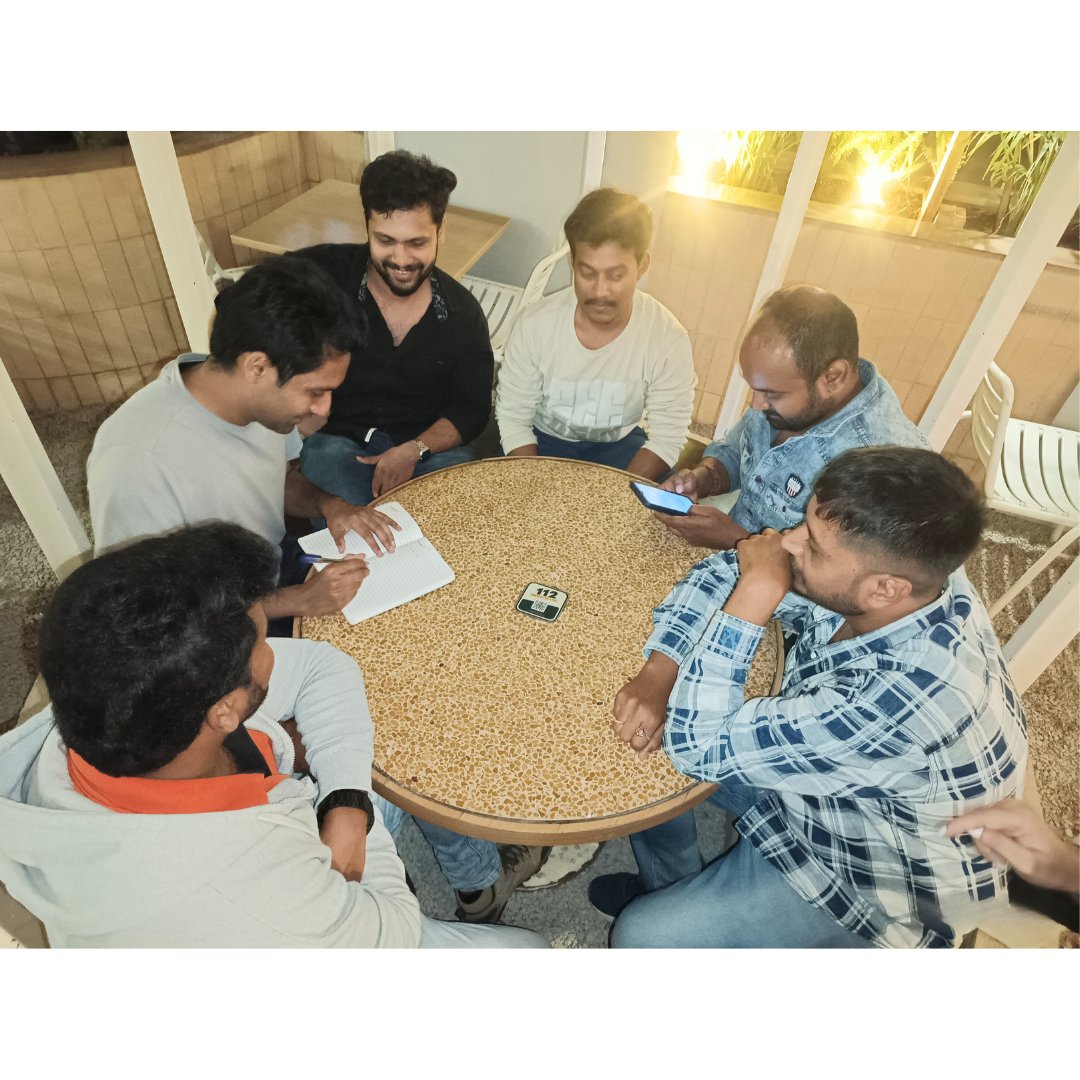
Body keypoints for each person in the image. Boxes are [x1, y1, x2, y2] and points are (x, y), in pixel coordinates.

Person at [0, 523, 546, 949]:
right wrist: (356, 845)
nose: (274, 651)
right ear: (225, 710)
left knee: (387, 751)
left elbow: (321, 667)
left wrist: (347, 804)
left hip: (283, 820)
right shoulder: (254, 893)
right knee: (530, 950)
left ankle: (476, 882)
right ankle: (481, 888)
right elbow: (394, 929)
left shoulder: (112, 703)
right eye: (263, 642)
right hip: (298, 918)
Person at [593, 447, 1027, 948]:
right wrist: (661, 668)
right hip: (841, 784)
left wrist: (755, 593)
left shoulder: (893, 700)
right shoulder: (908, 580)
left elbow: (697, 746)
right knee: (645, 738)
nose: (789, 541)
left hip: (877, 883)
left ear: (886, 589)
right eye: (805, 523)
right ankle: (671, 883)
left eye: (814, 546)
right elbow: (722, 572)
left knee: (641, 938)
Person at [87, 255, 400, 634]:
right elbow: (144, 611)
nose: (324, 410)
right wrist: (296, 601)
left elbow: (278, 480)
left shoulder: (260, 403)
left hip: (271, 565)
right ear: (257, 368)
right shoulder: (138, 462)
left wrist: (331, 506)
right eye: (316, 392)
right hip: (211, 626)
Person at [294, 150, 495, 506]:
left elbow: (472, 409)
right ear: (367, 227)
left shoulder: (463, 313)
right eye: (385, 241)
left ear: (441, 231)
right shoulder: (323, 273)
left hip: (427, 452)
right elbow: (239, 309)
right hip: (340, 444)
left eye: (417, 243)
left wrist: (415, 449)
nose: (401, 260)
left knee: (458, 504)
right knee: (345, 498)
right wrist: (299, 397)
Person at [658, 285, 927, 548]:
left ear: (833, 377)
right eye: (754, 388)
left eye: (772, 394)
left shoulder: (886, 471)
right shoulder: (782, 397)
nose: (756, 405)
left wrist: (736, 540)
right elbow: (736, 452)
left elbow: (845, 574)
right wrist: (703, 478)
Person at [495, 187, 696, 478]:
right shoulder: (535, 325)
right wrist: (533, 487)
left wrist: (617, 494)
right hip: (544, 441)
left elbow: (667, 437)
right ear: (573, 264)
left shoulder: (667, 339)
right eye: (587, 273)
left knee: (665, 500)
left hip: (621, 447)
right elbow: (514, 418)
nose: (600, 291)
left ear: (642, 266)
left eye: (616, 275)